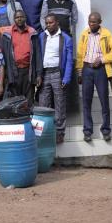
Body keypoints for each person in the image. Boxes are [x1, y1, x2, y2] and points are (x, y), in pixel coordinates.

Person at [76, 12, 112, 142]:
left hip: (100, 70)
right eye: (90, 21)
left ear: (100, 22)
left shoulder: (106, 34)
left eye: (94, 22)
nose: (91, 24)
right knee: (86, 101)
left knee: (104, 101)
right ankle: (87, 131)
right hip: (86, 69)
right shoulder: (85, 34)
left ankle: (106, 130)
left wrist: (102, 59)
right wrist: (79, 72)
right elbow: (79, 54)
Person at [38, 14, 74, 143]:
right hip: (44, 74)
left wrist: (66, 78)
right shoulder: (41, 37)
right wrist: (38, 75)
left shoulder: (65, 38)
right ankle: (43, 131)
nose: (49, 25)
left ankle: (59, 132)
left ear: (57, 23)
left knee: (59, 103)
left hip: (58, 74)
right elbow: (38, 57)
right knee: (43, 103)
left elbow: (69, 60)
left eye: (51, 23)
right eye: (47, 23)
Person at [0, 10, 42, 105]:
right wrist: (6, 74)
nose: (19, 19)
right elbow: (2, 55)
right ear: (14, 19)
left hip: (28, 71)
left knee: (28, 100)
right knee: (15, 101)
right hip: (14, 72)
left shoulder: (32, 34)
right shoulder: (7, 35)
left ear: (25, 18)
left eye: (21, 17)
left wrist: (39, 74)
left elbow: (38, 55)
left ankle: (28, 119)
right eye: (17, 17)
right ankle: (18, 120)